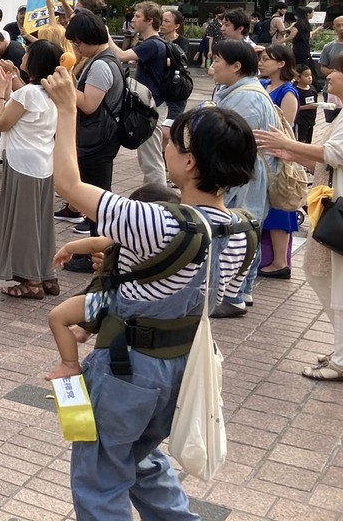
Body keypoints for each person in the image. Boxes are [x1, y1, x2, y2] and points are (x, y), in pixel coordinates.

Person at [41, 65, 255, 520]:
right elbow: (210, 294)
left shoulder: (158, 221)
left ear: (191, 163)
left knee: (101, 475)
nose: (166, 143)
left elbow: (68, 186)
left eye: (174, 141)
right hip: (183, 369)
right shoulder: (242, 232)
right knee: (141, 458)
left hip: (128, 369)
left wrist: (66, 110)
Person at [253, 56, 343, 379]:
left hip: (338, 207)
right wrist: (291, 152)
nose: (328, 75)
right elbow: (329, 158)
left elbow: (336, 153)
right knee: (323, 275)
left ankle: (341, 358)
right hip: (332, 203)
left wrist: (288, 144)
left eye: (337, 71)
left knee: (336, 281)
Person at [44, 183, 182, 382]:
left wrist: (68, 248)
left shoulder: (129, 233)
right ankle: (85, 328)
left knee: (58, 317)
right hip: (144, 303)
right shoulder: (174, 241)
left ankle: (69, 364)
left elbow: (95, 243)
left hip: (113, 298)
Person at [209, 39, 281, 316]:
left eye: (217, 60)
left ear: (236, 66)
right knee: (248, 228)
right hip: (248, 175)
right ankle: (243, 291)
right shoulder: (241, 91)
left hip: (244, 176)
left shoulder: (247, 97)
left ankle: (233, 296)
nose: (212, 65)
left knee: (238, 231)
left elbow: (233, 144)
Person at [0, 41, 62, 298]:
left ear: (35, 61)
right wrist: (11, 83)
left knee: (23, 223)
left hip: (22, 164)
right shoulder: (52, 91)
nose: (23, 55)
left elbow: (2, 123)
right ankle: (47, 275)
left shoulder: (28, 93)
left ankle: (31, 281)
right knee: (40, 222)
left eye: (28, 53)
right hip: (43, 162)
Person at [59, 11, 125, 251]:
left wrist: (65, 85)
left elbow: (88, 104)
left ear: (87, 38)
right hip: (102, 136)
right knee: (97, 194)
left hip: (98, 138)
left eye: (77, 43)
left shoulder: (100, 65)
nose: (76, 48)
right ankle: (97, 250)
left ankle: (97, 253)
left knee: (97, 197)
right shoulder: (104, 59)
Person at [112, 1, 169, 186]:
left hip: (151, 107)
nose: (133, 20)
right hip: (153, 105)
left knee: (151, 159)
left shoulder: (152, 44)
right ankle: (151, 194)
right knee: (147, 158)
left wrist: (105, 36)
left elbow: (121, 56)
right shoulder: (154, 43)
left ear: (150, 20)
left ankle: (158, 196)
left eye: (137, 16)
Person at [257, 43, 300, 279]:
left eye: (267, 59)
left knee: (279, 205)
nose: (261, 63)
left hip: (277, 156)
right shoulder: (263, 84)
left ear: (281, 63)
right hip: (262, 154)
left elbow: (286, 129)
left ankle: (280, 262)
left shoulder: (288, 92)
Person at [159, 9, 191, 121]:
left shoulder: (183, 42)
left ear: (176, 26)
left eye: (167, 21)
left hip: (175, 88)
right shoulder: (158, 41)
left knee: (171, 123)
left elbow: (178, 62)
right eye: (162, 20)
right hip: (160, 88)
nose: (162, 24)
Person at [294, 64, 321, 145]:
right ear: (298, 78)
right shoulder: (295, 91)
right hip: (300, 121)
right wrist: (308, 107)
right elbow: (294, 107)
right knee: (300, 141)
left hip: (310, 120)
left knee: (308, 142)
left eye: (310, 75)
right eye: (306, 76)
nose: (310, 78)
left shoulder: (312, 89)